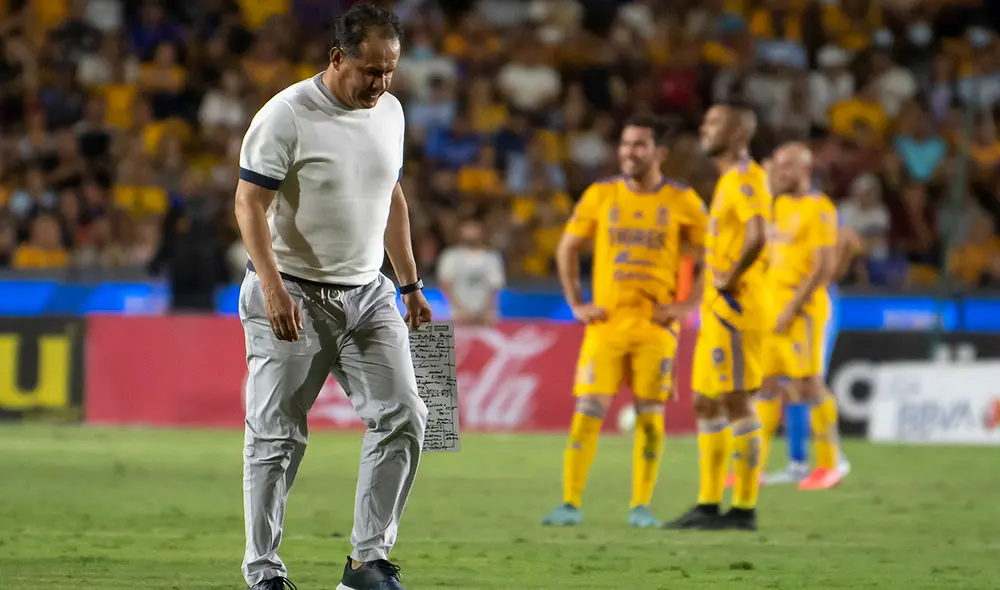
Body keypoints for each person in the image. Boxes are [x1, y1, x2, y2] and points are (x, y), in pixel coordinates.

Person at [233, 5, 432, 590]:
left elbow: (390, 196)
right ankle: (263, 570)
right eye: (370, 70)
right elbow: (249, 203)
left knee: (407, 416)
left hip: (369, 294)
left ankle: (367, 562)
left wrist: (411, 282)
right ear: (337, 57)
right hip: (293, 291)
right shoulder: (286, 115)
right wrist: (271, 287)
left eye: (390, 70)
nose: (381, 83)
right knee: (276, 435)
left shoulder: (390, 112)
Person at [540, 115, 708, 528]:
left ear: (660, 153)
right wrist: (577, 303)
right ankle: (570, 504)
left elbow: (714, 257)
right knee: (588, 411)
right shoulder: (602, 194)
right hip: (607, 325)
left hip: (655, 328)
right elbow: (567, 248)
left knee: (651, 417)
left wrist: (688, 307)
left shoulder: (683, 200)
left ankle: (640, 506)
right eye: (626, 144)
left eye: (640, 145)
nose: (630, 152)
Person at [662, 102, 771, 532]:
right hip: (718, 311)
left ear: (739, 132)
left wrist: (730, 276)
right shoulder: (728, 180)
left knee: (737, 401)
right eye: (704, 120)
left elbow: (758, 233)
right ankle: (708, 504)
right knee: (706, 401)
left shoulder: (746, 178)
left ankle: (743, 509)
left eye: (714, 123)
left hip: (739, 309)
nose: (704, 128)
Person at [752, 142, 844, 491]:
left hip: (803, 311)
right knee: (767, 383)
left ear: (803, 169)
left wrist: (792, 307)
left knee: (808, 383)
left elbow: (824, 267)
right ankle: (753, 468)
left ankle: (828, 465)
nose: (778, 172)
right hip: (773, 309)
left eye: (785, 166)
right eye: (775, 165)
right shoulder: (777, 206)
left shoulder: (819, 208)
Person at [436, 219, 505, 325]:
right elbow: (446, 285)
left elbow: (494, 289)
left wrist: (485, 311)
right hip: (458, 315)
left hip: (485, 316)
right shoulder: (450, 256)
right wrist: (461, 310)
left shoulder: (492, 258)